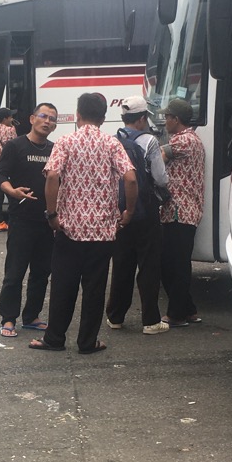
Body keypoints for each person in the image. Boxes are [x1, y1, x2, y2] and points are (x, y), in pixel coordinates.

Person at [29, 93, 137, 354]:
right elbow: (131, 179)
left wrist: (52, 214)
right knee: (94, 289)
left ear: (77, 114)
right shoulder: (112, 145)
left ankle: (55, 339)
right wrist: (128, 212)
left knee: (63, 286)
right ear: (103, 117)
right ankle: (87, 342)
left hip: (69, 230)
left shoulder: (65, 141)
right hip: (102, 232)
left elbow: (52, 175)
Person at [106, 96, 170, 334]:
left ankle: (115, 316)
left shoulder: (113, 141)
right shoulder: (149, 141)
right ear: (142, 118)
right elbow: (160, 178)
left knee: (122, 262)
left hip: (120, 210)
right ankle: (151, 321)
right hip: (145, 210)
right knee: (148, 264)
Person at [0, 103, 56, 338]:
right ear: (32, 118)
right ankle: (8, 318)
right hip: (21, 220)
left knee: (41, 272)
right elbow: (0, 175)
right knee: (15, 272)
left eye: (52, 118)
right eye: (43, 116)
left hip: (47, 221)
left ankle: (31, 316)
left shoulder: (55, 148)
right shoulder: (15, 145)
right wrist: (12, 191)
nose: (47, 121)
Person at [159, 98, 205, 327]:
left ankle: (176, 314)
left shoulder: (183, 141)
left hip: (179, 211)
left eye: (167, 117)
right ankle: (188, 309)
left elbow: (157, 158)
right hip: (186, 211)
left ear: (176, 119)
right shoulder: (193, 139)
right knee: (177, 262)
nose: (164, 121)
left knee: (173, 264)